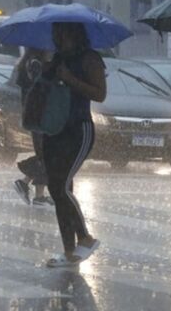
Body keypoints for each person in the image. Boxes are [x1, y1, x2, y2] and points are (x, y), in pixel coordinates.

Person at [42, 22, 106, 268]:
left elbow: (100, 94)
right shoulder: (58, 58)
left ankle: (85, 237)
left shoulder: (90, 59)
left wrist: (69, 79)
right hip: (54, 129)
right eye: (55, 32)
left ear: (73, 33)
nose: (57, 36)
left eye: (61, 32)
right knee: (58, 189)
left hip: (78, 129)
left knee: (60, 186)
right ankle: (69, 250)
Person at [12, 50, 53, 207]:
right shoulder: (35, 64)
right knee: (46, 155)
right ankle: (26, 184)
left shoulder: (28, 63)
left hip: (34, 116)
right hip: (39, 116)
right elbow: (40, 89)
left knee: (44, 155)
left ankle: (37, 194)